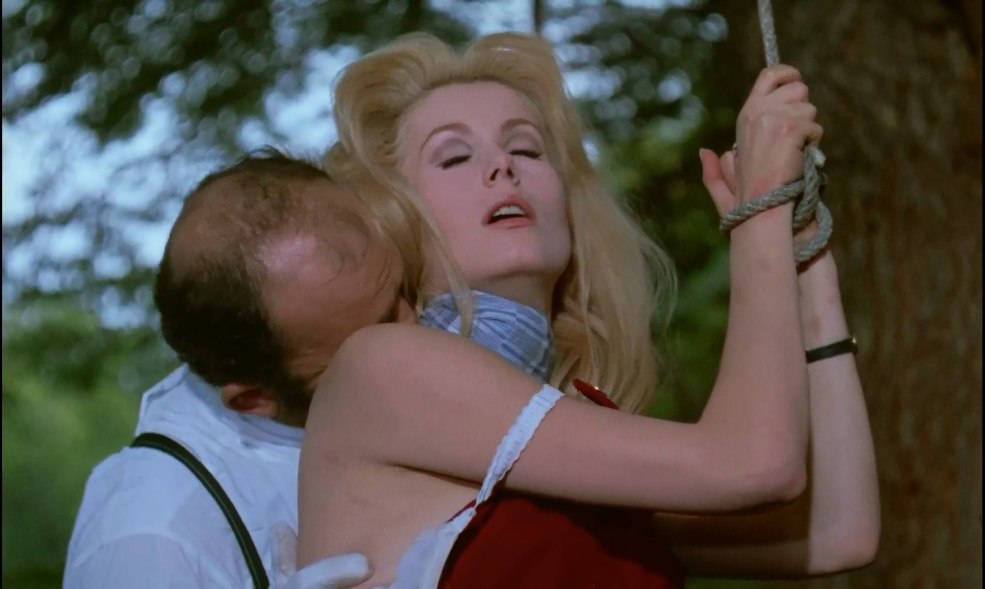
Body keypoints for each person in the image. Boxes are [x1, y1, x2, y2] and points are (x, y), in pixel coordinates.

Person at [292, 32, 879, 587]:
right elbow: (755, 465)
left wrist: (806, 256)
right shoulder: (381, 367)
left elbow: (838, 530)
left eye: (526, 147)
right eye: (454, 157)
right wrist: (759, 209)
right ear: (395, 219)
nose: (503, 166)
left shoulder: (564, 430)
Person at [64, 150, 404, 588]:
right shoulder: (151, 538)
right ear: (254, 398)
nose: (422, 325)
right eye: (376, 337)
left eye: (407, 289)